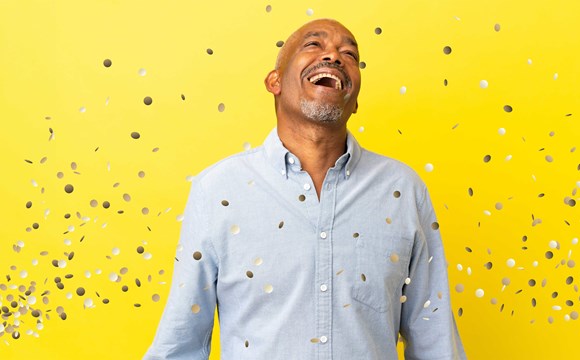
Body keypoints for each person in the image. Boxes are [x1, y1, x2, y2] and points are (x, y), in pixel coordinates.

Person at [144, 18, 466, 360]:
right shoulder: (219, 190)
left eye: (349, 54)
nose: (335, 57)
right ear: (275, 81)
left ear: (355, 99)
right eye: (314, 45)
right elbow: (182, 344)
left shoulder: (402, 190)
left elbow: (435, 340)